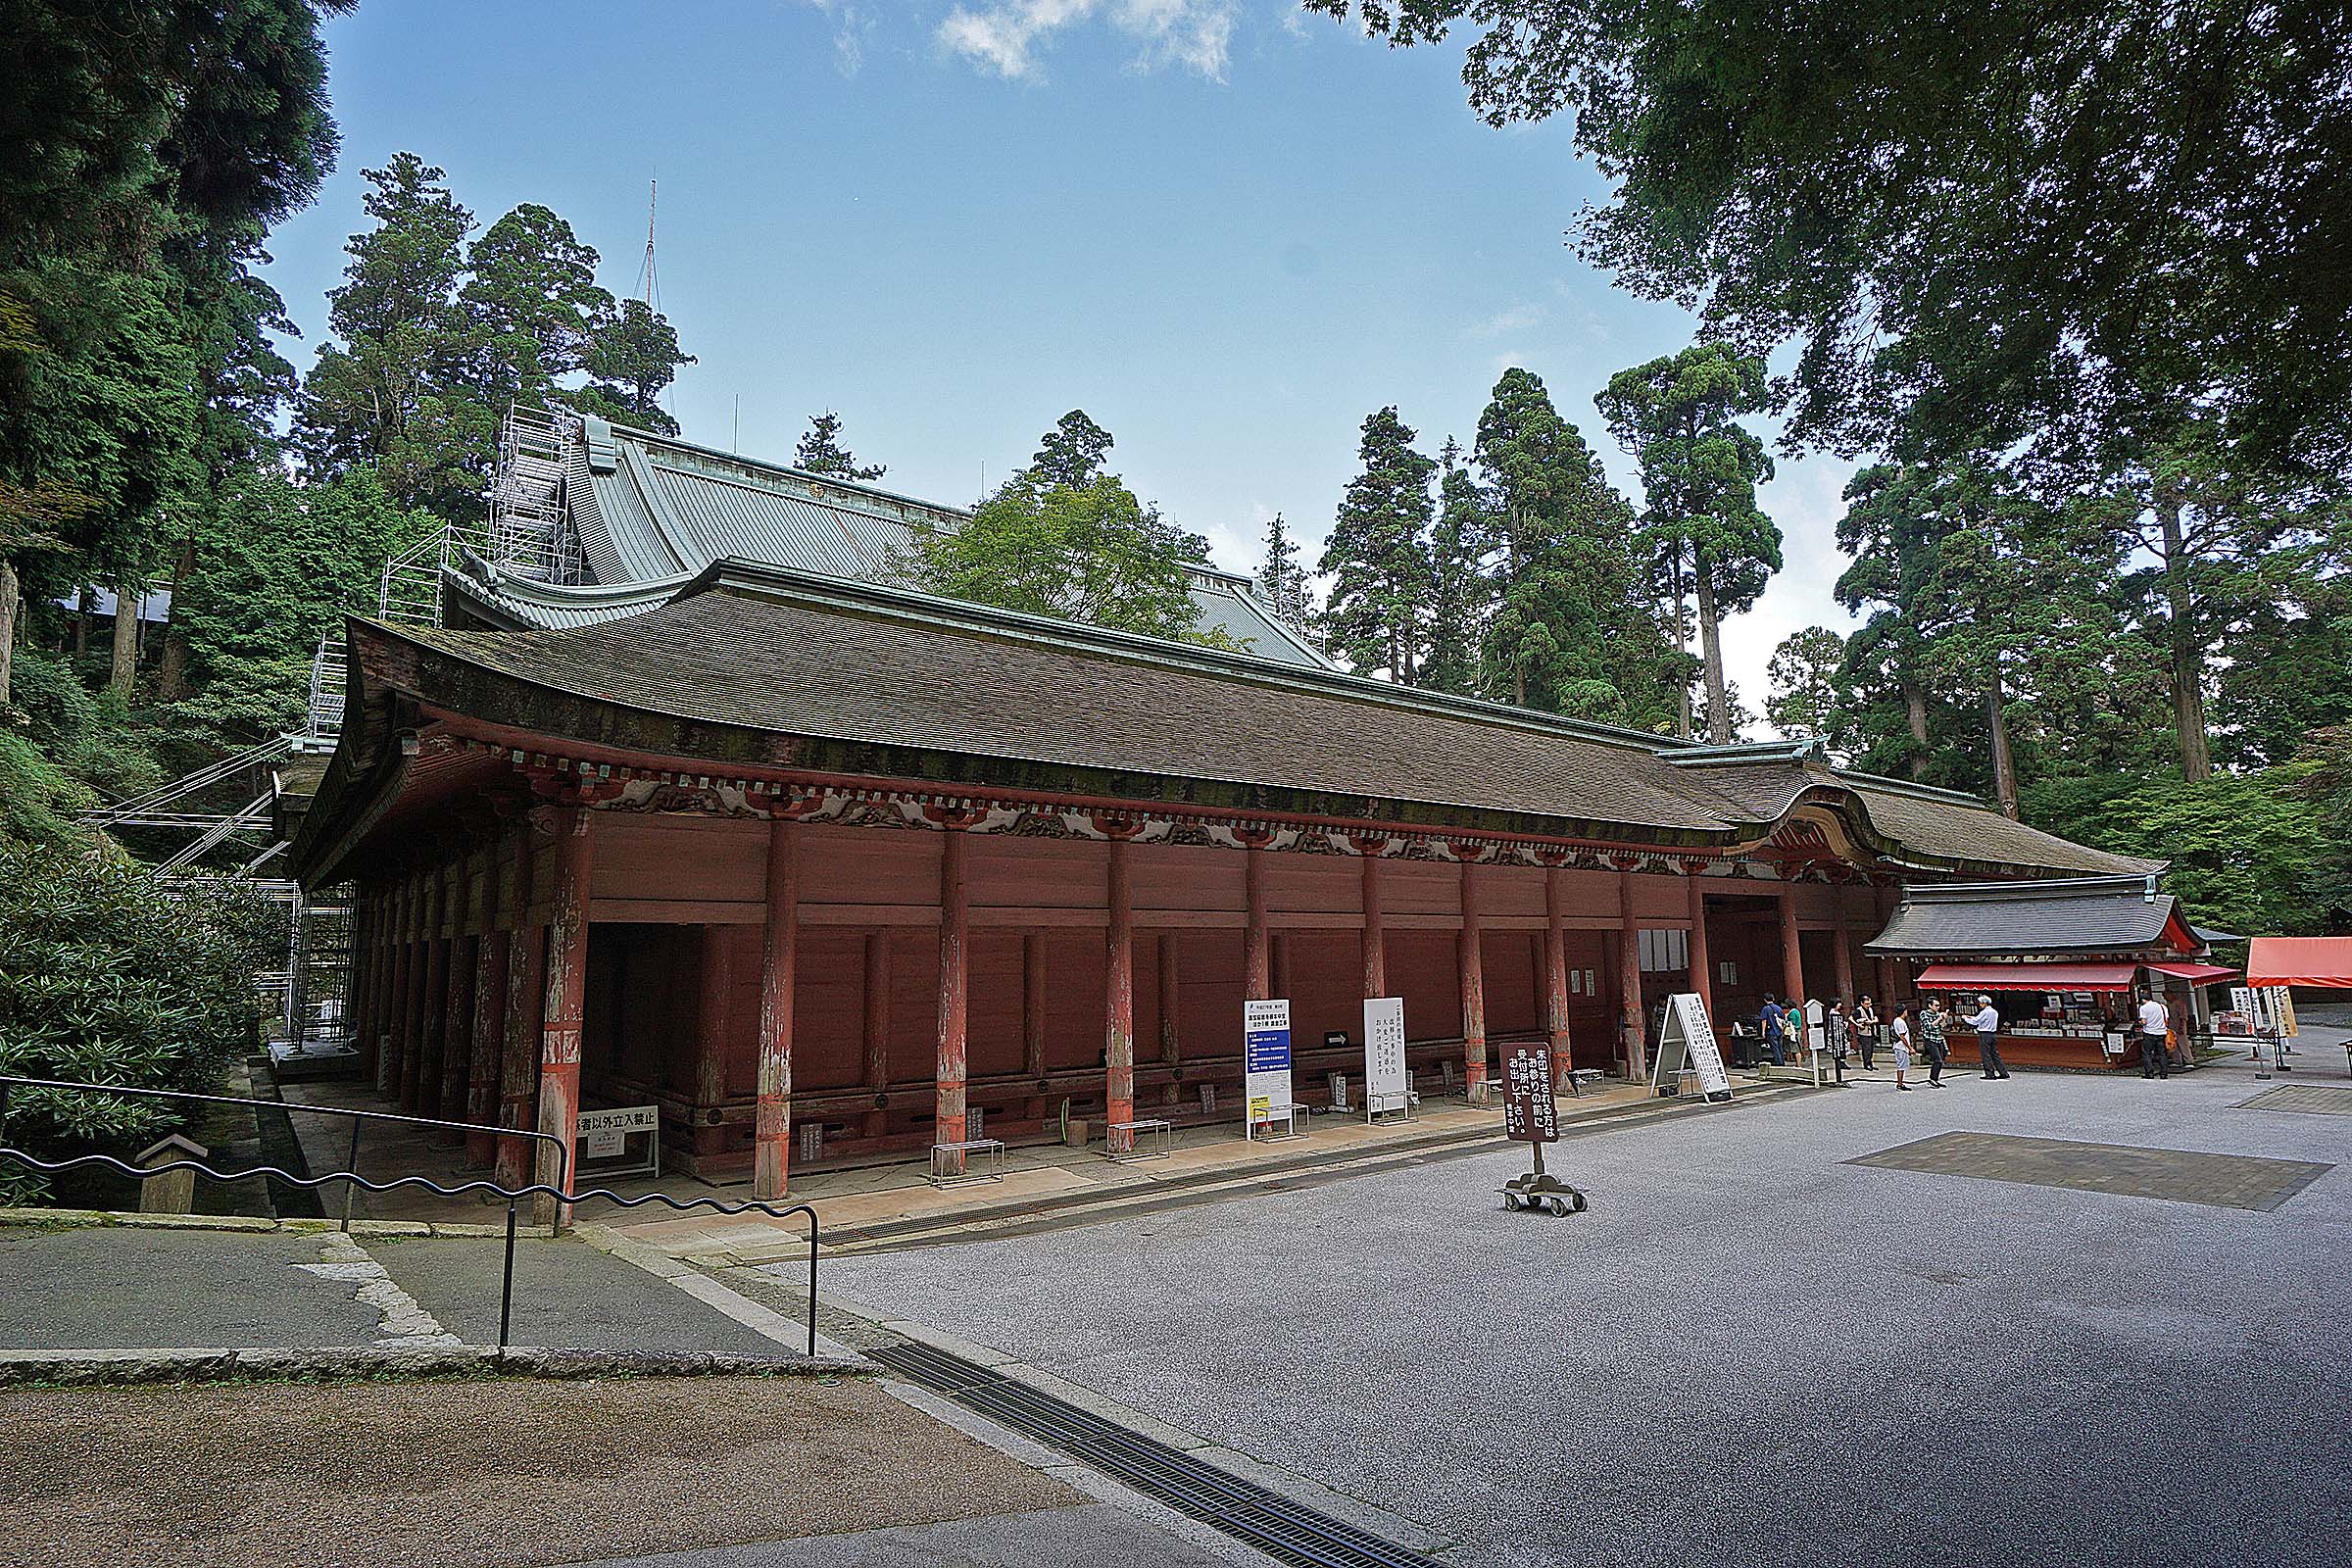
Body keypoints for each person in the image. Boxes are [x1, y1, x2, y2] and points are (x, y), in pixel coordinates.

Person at [1968, 993, 2010, 1079]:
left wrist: (1965, 1018)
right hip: (1992, 1034)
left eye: (1980, 1003)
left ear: (1984, 1003)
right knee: (1995, 1054)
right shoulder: (1994, 1012)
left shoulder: (1984, 1012)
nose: (1979, 1005)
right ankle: (2003, 1072)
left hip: (1984, 1034)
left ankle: (1990, 1073)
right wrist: (1972, 1017)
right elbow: (1980, 1019)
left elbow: (1975, 1022)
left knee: (1985, 1054)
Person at [2137, 990, 2171, 1079]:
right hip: (2162, 1032)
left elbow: (2144, 1022)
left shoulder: (2143, 1008)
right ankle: (2164, 1074)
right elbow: (2166, 1020)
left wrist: (2140, 1022)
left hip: (2149, 1033)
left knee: (2147, 1053)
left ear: (2143, 1000)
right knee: (2162, 1054)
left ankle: (2149, 1073)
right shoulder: (2162, 1006)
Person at [1917, 998, 1949, 1087]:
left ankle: (1935, 1078)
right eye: (1936, 1005)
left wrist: (1944, 1019)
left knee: (1941, 1059)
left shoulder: (1938, 1014)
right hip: (1930, 1039)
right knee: (1937, 1060)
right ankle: (1931, 1079)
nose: (1938, 1007)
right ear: (1930, 1005)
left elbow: (1942, 1027)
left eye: (1939, 1005)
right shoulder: (1924, 1014)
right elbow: (1928, 1026)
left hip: (1938, 1038)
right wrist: (1939, 1018)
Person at [1826, 1000, 1851, 1084]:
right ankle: (1840, 1062)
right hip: (1836, 1034)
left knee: (1841, 1047)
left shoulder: (1835, 1012)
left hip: (1839, 1033)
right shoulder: (1833, 1013)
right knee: (1839, 1047)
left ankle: (1842, 1061)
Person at [1890, 1004, 1915, 1090]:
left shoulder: (1897, 1020)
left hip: (1900, 1046)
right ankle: (1900, 1084)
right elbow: (1902, 1036)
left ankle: (1900, 1083)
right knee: (1901, 1066)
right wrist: (1910, 1047)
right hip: (1901, 1046)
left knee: (1902, 1065)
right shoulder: (1900, 1022)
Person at [1758, 995, 1787, 1068]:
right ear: (1773, 999)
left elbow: (1764, 1021)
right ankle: (1782, 1062)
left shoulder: (1765, 1009)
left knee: (1775, 1048)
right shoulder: (1778, 1008)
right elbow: (1782, 1019)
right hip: (1779, 1030)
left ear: (1765, 1000)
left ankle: (1779, 1064)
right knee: (1780, 1047)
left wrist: (1763, 1032)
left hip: (1771, 1031)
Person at [1856, 995, 1881, 1070]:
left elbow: (1875, 1017)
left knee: (1871, 1049)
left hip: (1872, 1030)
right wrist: (1862, 1022)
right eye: (1866, 1004)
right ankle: (1866, 1064)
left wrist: (1873, 1021)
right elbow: (1854, 1019)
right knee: (1866, 1049)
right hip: (1864, 1032)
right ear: (1862, 1003)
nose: (1868, 1005)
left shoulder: (1871, 1009)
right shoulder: (1858, 1010)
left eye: (1869, 1003)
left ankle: (1870, 1063)